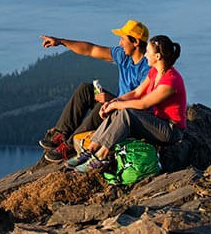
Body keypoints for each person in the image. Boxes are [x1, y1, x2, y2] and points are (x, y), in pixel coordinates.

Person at [67, 34, 187, 173]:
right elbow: (137, 92)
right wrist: (113, 102)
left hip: (171, 130)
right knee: (120, 110)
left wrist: (116, 105)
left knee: (127, 113)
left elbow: (142, 103)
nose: (146, 55)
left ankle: (101, 156)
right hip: (157, 121)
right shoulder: (155, 71)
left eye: (148, 52)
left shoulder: (170, 82)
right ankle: (91, 149)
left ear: (158, 56)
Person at [38, 19, 151, 163]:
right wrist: (60, 41)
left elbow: (142, 103)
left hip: (129, 114)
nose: (120, 43)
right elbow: (91, 49)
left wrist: (112, 99)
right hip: (118, 101)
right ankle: (60, 134)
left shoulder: (147, 69)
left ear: (135, 42)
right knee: (86, 89)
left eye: (123, 39)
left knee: (102, 108)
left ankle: (70, 146)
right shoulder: (124, 56)